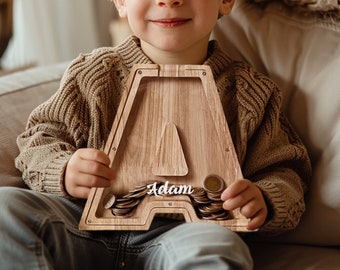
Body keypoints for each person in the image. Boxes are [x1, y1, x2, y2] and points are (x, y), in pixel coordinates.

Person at [0, 0, 312, 269]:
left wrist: (265, 199)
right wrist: (64, 169)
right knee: (6, 207)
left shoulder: (251, 93)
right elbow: (38, 139)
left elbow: (286, 171)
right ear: (121, 2)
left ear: (226, 1)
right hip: (80, 226)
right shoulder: (93, 74)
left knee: (219, 247)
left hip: (184, 235)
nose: (169, 0)